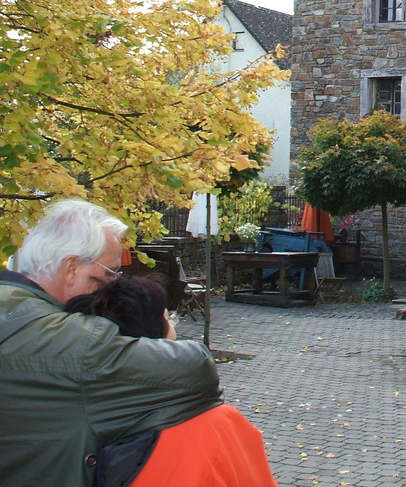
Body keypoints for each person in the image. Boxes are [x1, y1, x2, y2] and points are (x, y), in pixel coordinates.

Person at [0, 199, 222, 487]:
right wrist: (165, 337)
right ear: (70, 267)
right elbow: (197, 370)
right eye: (107, 275)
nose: (112, 287)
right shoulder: (76, 342)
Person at [65, 275, 277, 487]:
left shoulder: (62, 411)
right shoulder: (218, 423)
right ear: (156, 338)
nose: (173, 324)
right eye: (169, 317)